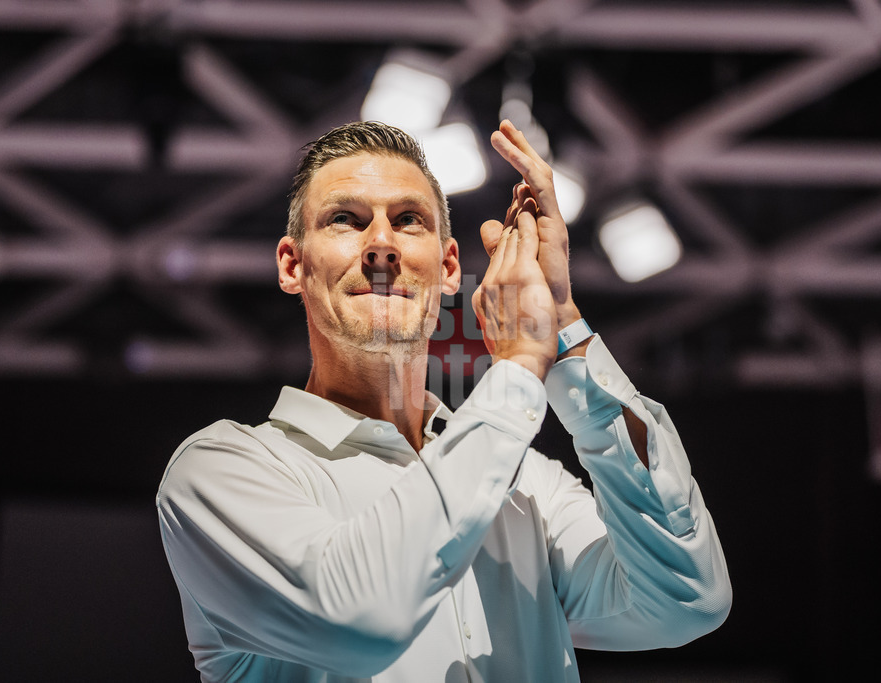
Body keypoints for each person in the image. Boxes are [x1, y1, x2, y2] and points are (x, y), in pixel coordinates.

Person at [157, 119, 731, 682]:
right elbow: (358, 619)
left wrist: (565, 330)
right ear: (292, 265)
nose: (380, 245)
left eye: (407, 220)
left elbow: (686, 601)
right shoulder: (222, 470)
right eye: (344, 220)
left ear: (449, 267)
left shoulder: (527, 485)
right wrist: (518, 371)